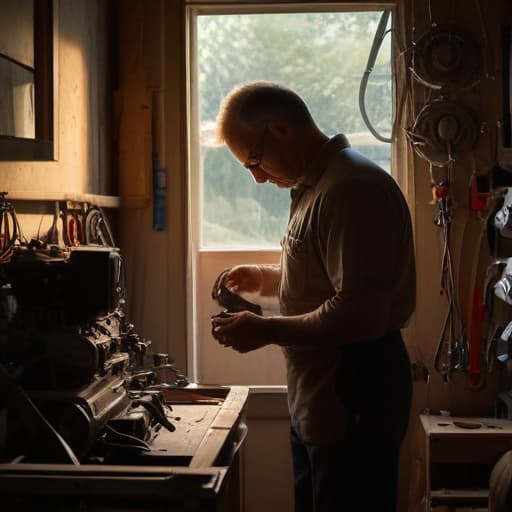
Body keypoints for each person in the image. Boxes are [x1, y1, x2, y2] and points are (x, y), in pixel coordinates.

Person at [211, 81, 415, 512]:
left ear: (280, 130)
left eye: (254, 160)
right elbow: (324, 277)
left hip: (354, 389)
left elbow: (361, 314)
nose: (258, 177)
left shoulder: (351, 188)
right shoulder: (315, 188)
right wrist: (263, 281)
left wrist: (265, 330)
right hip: (320, 398)